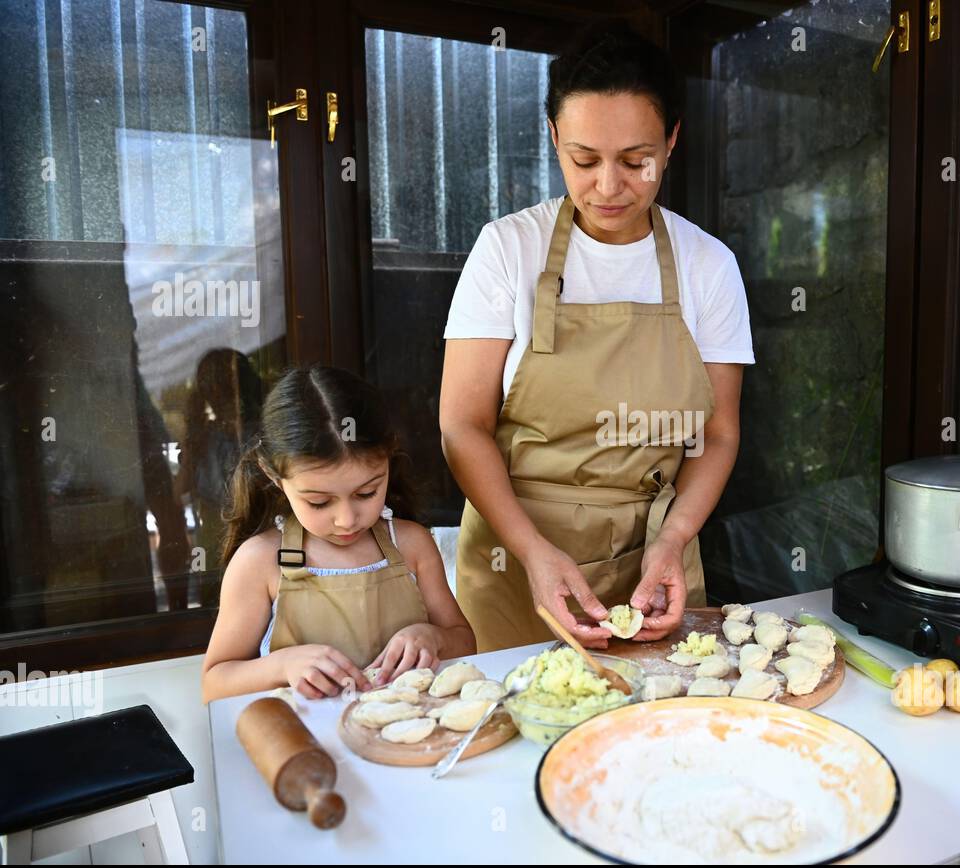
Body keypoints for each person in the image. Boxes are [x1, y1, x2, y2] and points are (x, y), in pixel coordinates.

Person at [439, 20, 754, 651]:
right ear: (554, 138)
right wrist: (531, 552)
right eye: (584, 160)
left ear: (672, 141)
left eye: (637, 161)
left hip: (652, 561)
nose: (609, 187)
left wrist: (673, 541)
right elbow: (461, 426)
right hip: (514, 555)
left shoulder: (707, 264)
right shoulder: (508, 249)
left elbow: (717, 433)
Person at [201, 366, 474, 702]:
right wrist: (282, 666)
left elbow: (465, 641)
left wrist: (433, 637)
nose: (346, 520)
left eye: (366, 493)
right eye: (318, 502)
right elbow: (214, 683)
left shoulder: (412, 545)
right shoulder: (259, 562)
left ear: (388, 460)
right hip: (306, 746)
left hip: (407, 739)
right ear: (274, 477)